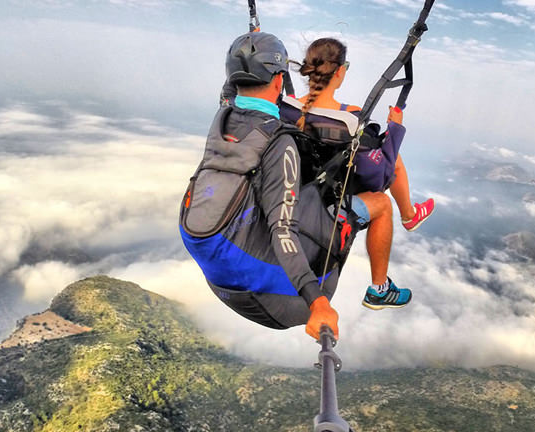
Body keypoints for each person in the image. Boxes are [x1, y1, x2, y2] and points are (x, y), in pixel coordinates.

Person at [180, 31, 399, 339]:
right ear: (280, 80)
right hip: (280, 299)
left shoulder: (224, 115)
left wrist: (249, 49)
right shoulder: (279, 142)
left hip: (220, 277)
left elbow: (231, 88)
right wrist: (318, 302)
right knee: (380, 204)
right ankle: (380, 288)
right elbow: (283, 229)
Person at [288, 37, 434, 309]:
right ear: (340, 71)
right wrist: (395, 129)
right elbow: (379, 175)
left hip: (291, 194)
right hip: (326, 206)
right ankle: (380, 287)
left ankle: (410, 215)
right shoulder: (350, 119)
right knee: (382, 201)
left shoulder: (286, 107)